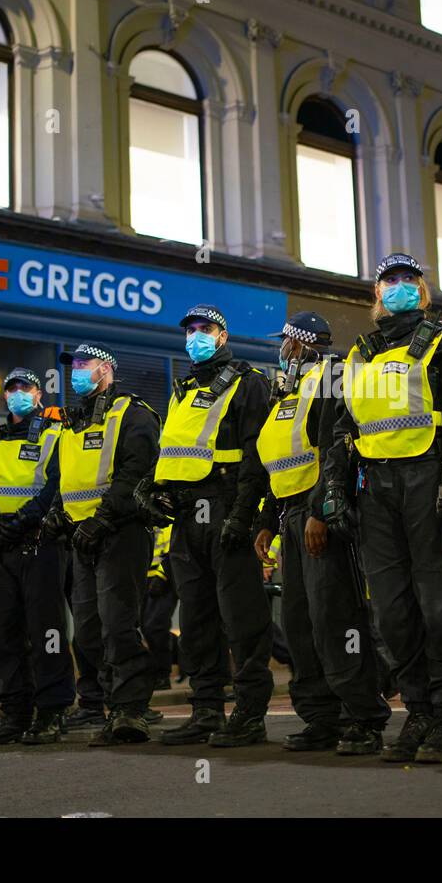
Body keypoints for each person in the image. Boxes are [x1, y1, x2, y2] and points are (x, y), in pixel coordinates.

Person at [322, 253, 442, 764]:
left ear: (423, 289)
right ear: (375, 294)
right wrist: (333, 489)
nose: (398, 287)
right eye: (388, 280)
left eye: (408, 279)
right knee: (392, 610)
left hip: (429, 478)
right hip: (377, 487)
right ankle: (420, 710)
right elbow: (343, 428)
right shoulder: (359, 353)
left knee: (441, 604)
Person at [254, 310, 391, 754]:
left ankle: (363, 716)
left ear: (303, 344)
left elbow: (335, 448)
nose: (283, 350)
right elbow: (282, 464)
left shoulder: (330, 376)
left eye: (288, 343)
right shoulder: (285, 394)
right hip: (289, 518)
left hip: (321, 517)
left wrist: (319, 510)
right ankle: (321, 717)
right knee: (299, 624)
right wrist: (264, 522)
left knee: (336, 619)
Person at [139, 305, 275, 748]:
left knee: (242, 618)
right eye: (191, 330)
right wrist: (156, 490)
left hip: (225, 508)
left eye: (205, 329)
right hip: (185, 517)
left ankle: (251, 714)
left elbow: (258, 454)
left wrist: (244, 513)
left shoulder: (247, 382)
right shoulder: (182, 388)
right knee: (196, 620)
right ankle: (207, 711)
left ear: (222, 335)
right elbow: (174, 453)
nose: (196, 336)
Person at [45, 343, 162, 745]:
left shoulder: (132, 412)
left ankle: (130, 711)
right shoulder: (72, 423)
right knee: (89, 632)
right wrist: (58, 515)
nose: (76, 370)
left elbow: (137, 472)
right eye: (72, 365)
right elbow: (66, 480)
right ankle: (114, 704)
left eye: (84, 364)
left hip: (120, 533)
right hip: (82, 540)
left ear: (107, 368)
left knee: (118, 625)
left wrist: (102, 518)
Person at [0, 367, 75, 745]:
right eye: (11, 389)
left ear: (38, 394)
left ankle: (52, 712)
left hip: (39, 545)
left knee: (48, 633)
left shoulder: (54, 433)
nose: (17, 394)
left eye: (25, 387)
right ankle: (15, 713)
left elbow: (59, 484)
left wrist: (26, 517)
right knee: (1, 636)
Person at [143, 525, 176, 691]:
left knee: (155, 626)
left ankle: (162, 675)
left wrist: (162, 576)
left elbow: (172, 549)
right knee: (144, 628)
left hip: (163, 580)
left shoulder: (167, 518)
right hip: (141, 578)